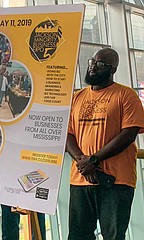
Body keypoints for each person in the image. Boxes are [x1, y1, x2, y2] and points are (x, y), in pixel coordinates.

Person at [66, 48, 144, 240]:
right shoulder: (77, 97)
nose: (92, 67)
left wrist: (94, 159)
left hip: (115, 181)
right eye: (92, 61)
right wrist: (83, 162)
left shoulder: (126, 96)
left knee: (114, 236)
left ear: (113, 69)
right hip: (81, 178)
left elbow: (129, 133)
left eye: (100, 64)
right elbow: (67, 134)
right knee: (78, 235)